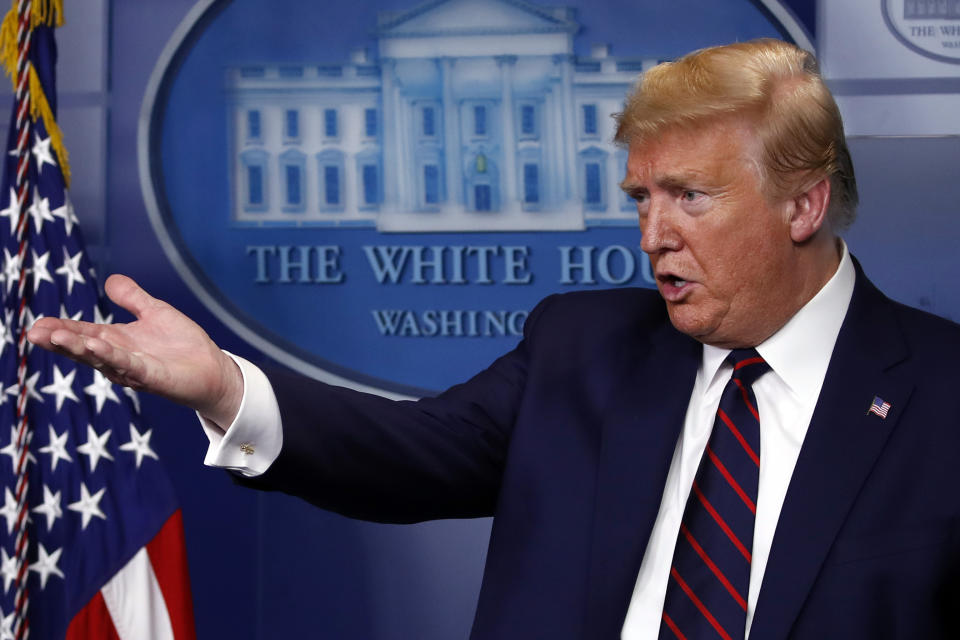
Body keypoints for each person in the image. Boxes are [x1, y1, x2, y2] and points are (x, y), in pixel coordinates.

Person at [28, 39, 960, 639]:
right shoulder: (583, 345)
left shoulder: (943, 393)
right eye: (642, 198)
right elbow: (408, 453)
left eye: (691, 197)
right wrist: (224, 388)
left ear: (803, 203)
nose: (652, 235)